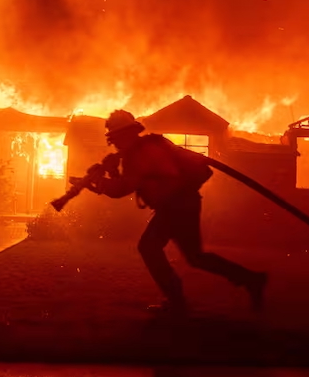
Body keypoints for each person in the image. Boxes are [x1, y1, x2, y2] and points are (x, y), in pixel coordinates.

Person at [87, 110, 268, 316]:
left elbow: (122, 189)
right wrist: (112, 172)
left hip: (175, 206)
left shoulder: (139, 154)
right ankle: (252, 280)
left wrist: (100, 182)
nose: (115, 144)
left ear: (126, 134)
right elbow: (130, 183)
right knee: (195, 257)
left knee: (149, 247)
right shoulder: (145, 148)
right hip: (182, 204)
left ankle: (177, 302)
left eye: (116, 138)